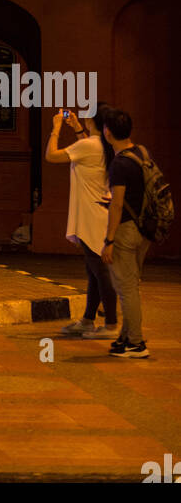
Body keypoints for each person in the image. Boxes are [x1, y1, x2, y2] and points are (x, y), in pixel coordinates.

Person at [45, 103, 117, 336]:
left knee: (100, 272)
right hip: (97, 214)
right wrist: (76, 127)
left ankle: (111, 324)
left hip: (90, 217)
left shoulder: (89, 145)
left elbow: (51, 155)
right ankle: (87, 320)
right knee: (94, 271)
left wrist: (56, 128)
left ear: (91, 120)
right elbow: (87, 147)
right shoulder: (103, 144)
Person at [101, 106, 150, 357]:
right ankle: (125, 337)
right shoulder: (141, 152)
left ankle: (136, 343)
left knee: (127, 288)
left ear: (108, 132)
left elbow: (117, 204)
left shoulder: (119, 164)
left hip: (126, 230)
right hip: (144, 229)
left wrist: (109, 240)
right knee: (131, 284)